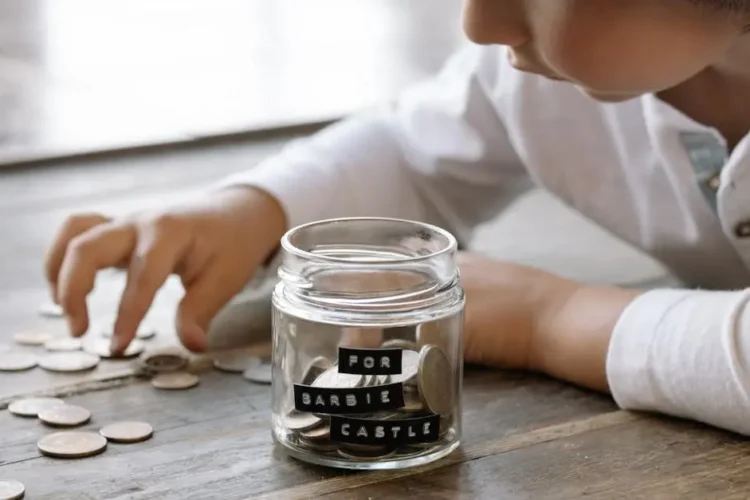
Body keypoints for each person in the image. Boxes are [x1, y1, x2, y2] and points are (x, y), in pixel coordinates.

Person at [45, 1, 750, 436]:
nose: (478, 22)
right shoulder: (530, 75)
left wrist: (550, 317)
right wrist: (253, 207)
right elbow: (414, 152)